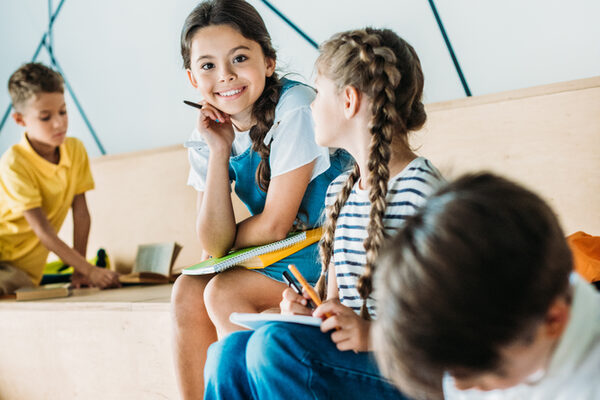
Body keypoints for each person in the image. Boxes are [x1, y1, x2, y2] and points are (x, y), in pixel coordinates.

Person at [203, 27, 442, 399]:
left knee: (274, 347)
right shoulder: (340, 191)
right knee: (228, 354)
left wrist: (367, 334)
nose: (311, 105)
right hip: (356, 363)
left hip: (407, 374)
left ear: (348, 101)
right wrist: (307, 312)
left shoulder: (422, 194)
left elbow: (450, 320)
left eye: (319, 92)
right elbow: (333, 303)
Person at [170, 1, 350, 397]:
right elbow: (212, 243)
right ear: (191, 78)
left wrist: (222, 245)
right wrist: (218, 152)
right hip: (278, 250)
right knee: (186, 290)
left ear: (268, 61)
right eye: (208, 66)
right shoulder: (207, 131)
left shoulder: (296, 107)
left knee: (223, 290)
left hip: (330, 249)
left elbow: (273, 223)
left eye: (239, 58)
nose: (226, 76)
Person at [373, 173, 600, 400]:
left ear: (553, 321)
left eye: (479, 378)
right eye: (451, 374)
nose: (460, 388)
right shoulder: (478, 344)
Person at [0, 62, 120, 295]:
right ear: (20, 120)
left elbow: (81, 213)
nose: (59, 123)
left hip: (21, 272)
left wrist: (82, 270)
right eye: (45, 117)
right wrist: (91, 270)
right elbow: (43, 231)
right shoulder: (14, 162)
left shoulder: (74, 150)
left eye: (63, 112)